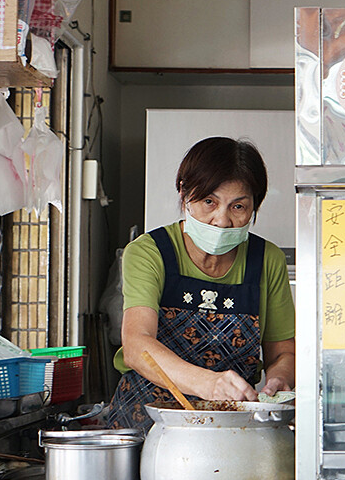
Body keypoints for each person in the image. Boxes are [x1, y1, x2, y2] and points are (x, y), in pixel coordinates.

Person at [105, 137, 295, 430]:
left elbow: (283, 353)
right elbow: (137, 345)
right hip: (149, 425)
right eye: (209, 202)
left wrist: (279, 379)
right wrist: (209, 384)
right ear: (184, 192)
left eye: (238, 207)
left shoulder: (266, 260)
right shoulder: (149, 252)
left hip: (231, 426)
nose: (221, 220)